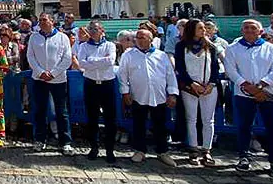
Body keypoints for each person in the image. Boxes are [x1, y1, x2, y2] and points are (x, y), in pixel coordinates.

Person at [224, 19, 273, 176]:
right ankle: (244, 156)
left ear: (260, 31)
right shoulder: (233, 48)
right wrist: (244, 84)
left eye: (253, 28)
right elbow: (230, 69)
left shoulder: (271, 48)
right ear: (242, 30)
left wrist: (262, 85)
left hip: (268, 93)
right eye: (246, 28)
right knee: (244, 127)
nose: (249, 30)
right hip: (243, 93)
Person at [118, 29, 178, 166]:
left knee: (160, 125)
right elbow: (123, 75)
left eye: (142, 37)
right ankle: (139, 150)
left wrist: (172, 94)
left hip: (159, 96)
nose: (138, 40)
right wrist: (125, 92)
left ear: (150, 39)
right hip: (139, 95)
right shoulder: (129, 55)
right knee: (138, 124)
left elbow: (170, 75)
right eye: (137, 37)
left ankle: (162, 151)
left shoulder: (161, 55)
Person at [174, 19, 221, 166]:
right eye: (200, 28)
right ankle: (193, 148)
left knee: (208, 120)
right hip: (190, 88)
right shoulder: (181, 46)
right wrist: (191, 83)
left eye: (204, 28)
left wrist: (211, 84)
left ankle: (206, 150)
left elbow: (215, 67)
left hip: (208, 87)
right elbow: (180, 67)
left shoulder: (210, 46)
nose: (204, 30)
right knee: (191, 119)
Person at [27, 13, 73, 155]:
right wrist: (41, 72)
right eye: (40, 20)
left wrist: (53, 73)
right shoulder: (34, 37)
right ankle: (40, 139)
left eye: (44, 20)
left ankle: (65, 142)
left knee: (61, 111)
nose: (41, 22)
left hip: (58, 80)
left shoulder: (62, 37)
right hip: (39, 79)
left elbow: (67, 58)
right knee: (40, 111)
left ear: (52, 21)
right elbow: (30, 56)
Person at [77, 21, 118, 163]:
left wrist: (92, 61)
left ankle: (110, 150)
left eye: (96, 29)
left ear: (102, 30)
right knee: (92, 118)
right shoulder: (84, 46)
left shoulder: (110, 45)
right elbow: (82, 63)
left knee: (110, 118)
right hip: (91, 84)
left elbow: (111, 61)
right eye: (91, 29)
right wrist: (100, 61)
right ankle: (94, 147)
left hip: (107, 84)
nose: (93, 31)